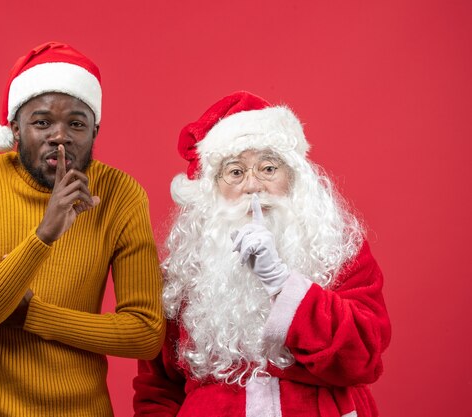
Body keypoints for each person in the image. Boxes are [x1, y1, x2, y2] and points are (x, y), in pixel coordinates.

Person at [0, 41, 165, 417]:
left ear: (95, 131)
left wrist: (34, 315)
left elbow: (145, 334)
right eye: (42, 122)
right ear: (14, 128)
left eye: (76, 123)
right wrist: (44, 235)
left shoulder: (121, 194)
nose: (60, 136)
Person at [133, 91, 391, 416]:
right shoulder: (183, 270)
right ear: (212, 188)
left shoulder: (337, 249)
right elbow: (157, 390)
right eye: (236, 172)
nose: (253, 186)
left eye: (268, 169)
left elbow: (363, 357)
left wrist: (283, 284)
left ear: (294, 177)